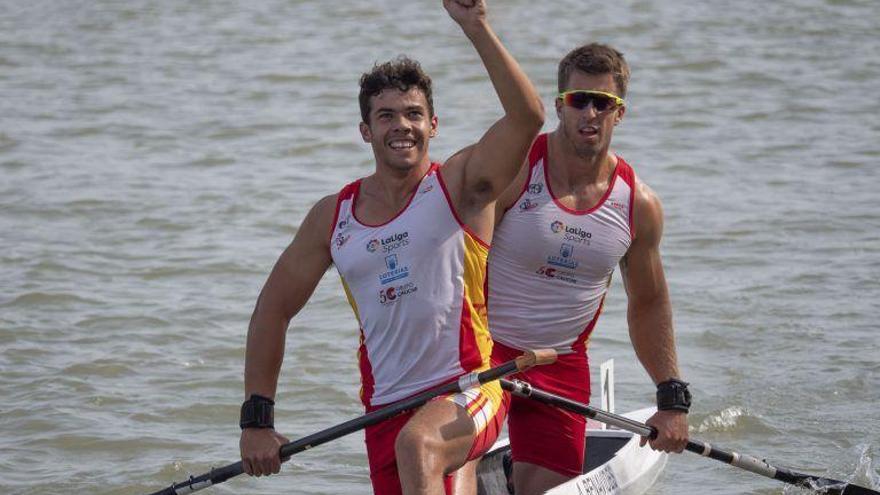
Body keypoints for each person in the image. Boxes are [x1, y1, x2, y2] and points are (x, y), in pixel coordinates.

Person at [238, 1, 544, 494]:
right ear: (366, 131)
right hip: (384, 410)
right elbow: (272, 311)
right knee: (413, 447)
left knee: (418, 446)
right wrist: (257, 418)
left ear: (433, 125)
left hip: (470, 387)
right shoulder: (331, 217)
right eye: (386, 116)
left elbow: (527, 116)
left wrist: (476, 26)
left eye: (413, 114)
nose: (401, 125)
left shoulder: (461, 187)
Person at [486, 43, 690, 494]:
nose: (590, 113)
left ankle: (516, 473)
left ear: (620, 114)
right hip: (485, 354)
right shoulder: (517, 170)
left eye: (604, 103)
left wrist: (671, 396)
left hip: (560, 364)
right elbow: (459, 258)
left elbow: (649, 301)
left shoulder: (638, 204)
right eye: (580, 100)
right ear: (560, 105)